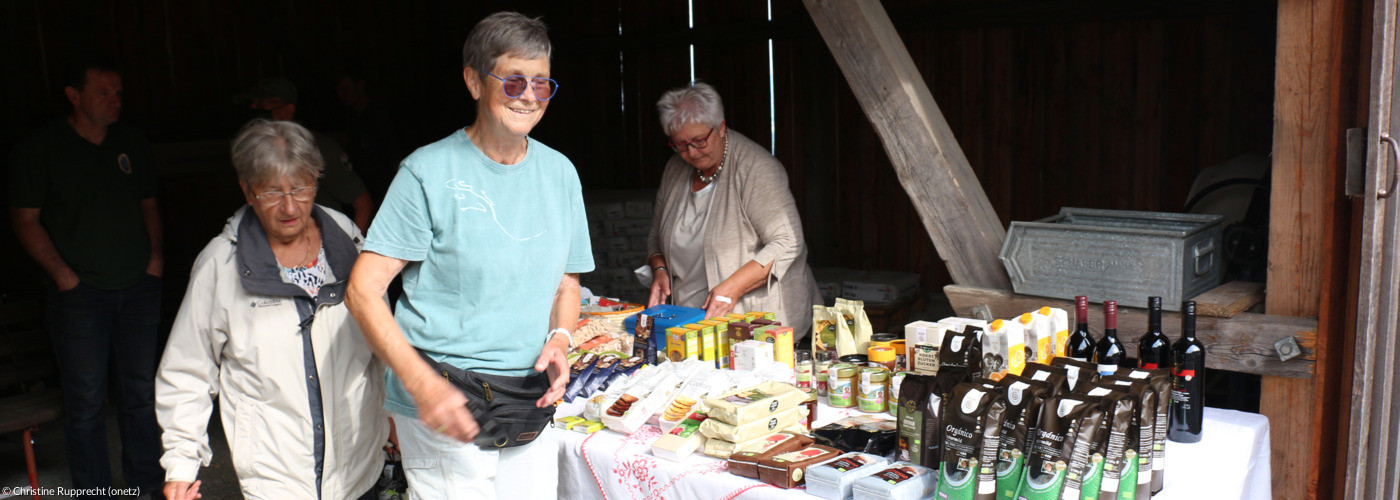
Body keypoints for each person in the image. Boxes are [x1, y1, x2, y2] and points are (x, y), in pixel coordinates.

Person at [345, 11, 592, 498]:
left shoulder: (560, 173)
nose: (528, 96)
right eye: (514, 80)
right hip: (447, 395)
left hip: (528, 396)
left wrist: (561, 338)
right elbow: (362, 290)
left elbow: (566, 282)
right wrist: (421, 384)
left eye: (541, 84)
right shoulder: (426, 172)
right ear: (474, 82)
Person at [156, 119, 389, 500]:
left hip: (358, 468)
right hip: (275, 478)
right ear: (247, 191)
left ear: (316, 178)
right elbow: (188, 370)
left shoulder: (347, 239)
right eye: (271, 192)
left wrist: (391, 414)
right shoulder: (221, 263)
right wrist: (181, 464)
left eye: (300, 188)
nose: (289, 207)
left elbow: (382, 335)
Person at [7, 56, 165, 496]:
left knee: (140, 396)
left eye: (118, 93)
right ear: (74, 97)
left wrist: (154, 261)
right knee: (86, 403)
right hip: (79, 295)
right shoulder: (42, 147)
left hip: (138, 287)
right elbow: (25, 219)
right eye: (104, 93)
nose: (115, 101)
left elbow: (148, 204)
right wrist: (64, 277)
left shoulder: (130, 141)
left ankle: (147, 486)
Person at [645, 82, 821, 336]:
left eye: (699, 141)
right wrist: (659, 268)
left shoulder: (756, 168)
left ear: (721, 127)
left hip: (755, 326)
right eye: (680, 144)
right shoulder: (675, 170)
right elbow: (655, 238)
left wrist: (732, 287)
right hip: (688, 324)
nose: (691, 153)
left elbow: (787, 241)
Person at [237, 77, 376, 231]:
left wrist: (350, 250)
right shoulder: (252, 152)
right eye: (251, 103)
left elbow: (363, 204)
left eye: (263, 103)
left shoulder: (318, 149)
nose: (253, 108)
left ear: (287, 110)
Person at [334, 68, 403, 205]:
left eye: (346, 88)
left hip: (384, 192)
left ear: (360, 86)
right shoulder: (349, 119)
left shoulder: (380, 116)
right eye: (339, 90)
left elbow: (395, 156)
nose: (342, 94)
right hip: (361, 192)